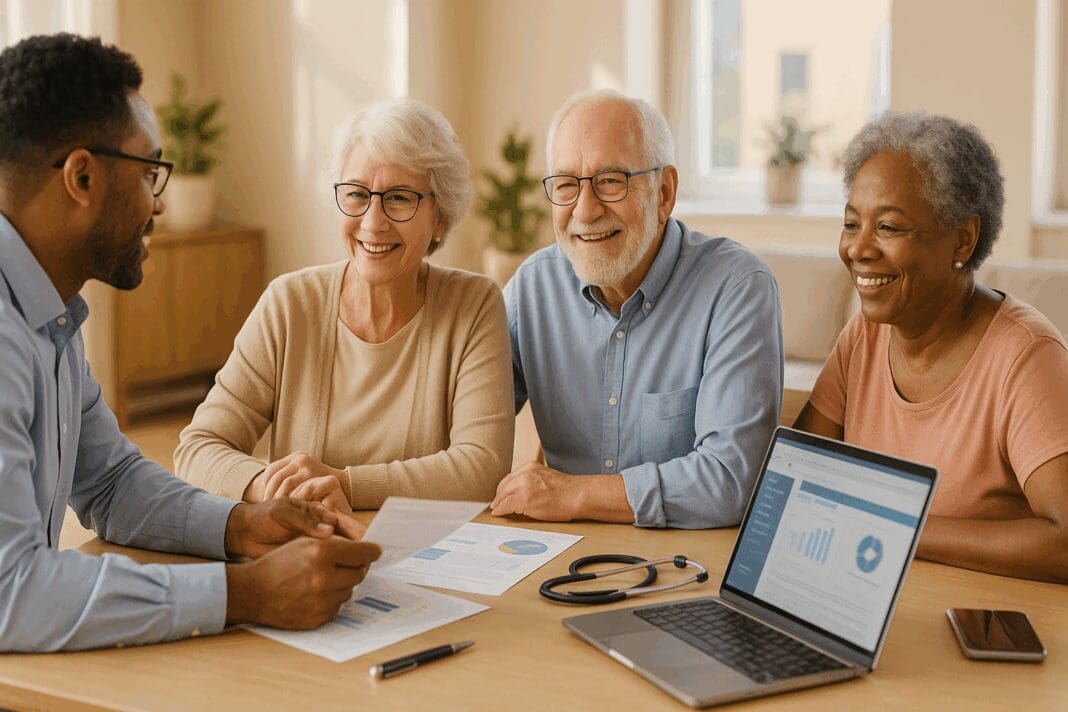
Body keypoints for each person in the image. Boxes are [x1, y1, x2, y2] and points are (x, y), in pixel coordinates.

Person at [0, 34, 381, 652]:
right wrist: (248, 592)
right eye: (149, 173)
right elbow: (10, 592)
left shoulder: (51, 313)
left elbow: (110, 482)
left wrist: (240, 525)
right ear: (82, 177)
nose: (160, 203)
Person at [175, 99, 513, 512]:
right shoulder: (289, 304)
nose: (373, 222)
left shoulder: (474, 305)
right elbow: (198, 447)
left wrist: (346, 485)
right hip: (306, 542)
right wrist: (272, 487)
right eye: (356, 194)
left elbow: (482, 468)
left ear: (439, 217)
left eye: (399, 198)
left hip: (424, 549)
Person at [794, 112, 1068, 583]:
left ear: (963, 240)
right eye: (852, 223)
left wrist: (897, 529)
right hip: (868, 593)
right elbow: (797, 479)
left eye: (889, 227)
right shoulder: (864, 335)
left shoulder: (1026, 355)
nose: (858, 249)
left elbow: (1064, 540)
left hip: (979, 612)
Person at [490, 90, 783, 529]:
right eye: (566, 185)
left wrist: (576, 494)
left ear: (664, 193)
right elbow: (464, 434)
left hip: (683, 559)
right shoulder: (532, 288)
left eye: (611, 181)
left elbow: (730, 480)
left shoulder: (736, 287)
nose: (585, 210)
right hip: (558, 553)